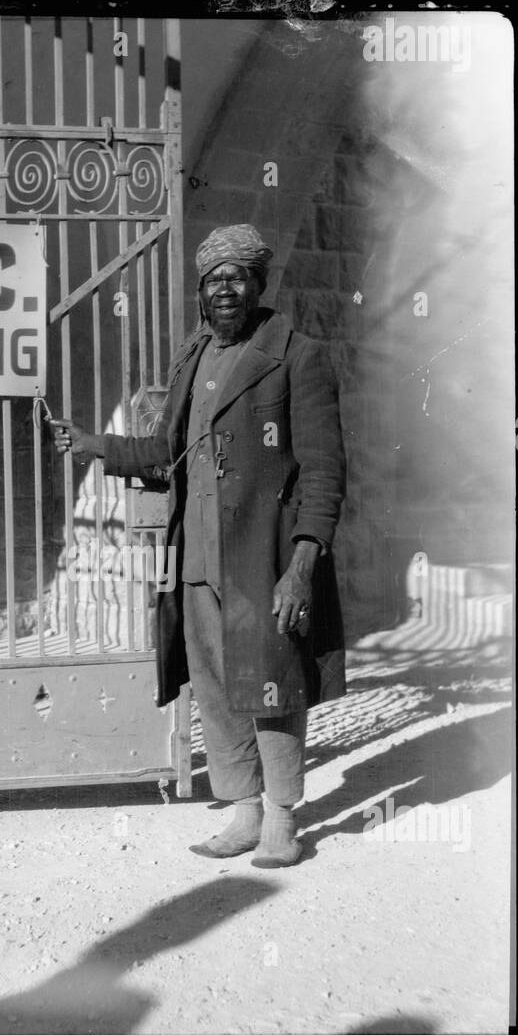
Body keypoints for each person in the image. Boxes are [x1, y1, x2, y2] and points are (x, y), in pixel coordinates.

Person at [51, 224, 346, 867]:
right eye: (213, 280)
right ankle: (242, 813)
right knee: (214, 687)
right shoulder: (194, 356)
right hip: (196, 558)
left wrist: (301, 566)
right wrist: (96, 445)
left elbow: (324, 473)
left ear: (257, 283)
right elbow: (165, 451)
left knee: (273, 685)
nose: (224, 290)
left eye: (236, 277)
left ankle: (281, 821)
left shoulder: (298, 354)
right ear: (201, 292)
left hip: (262, 559)